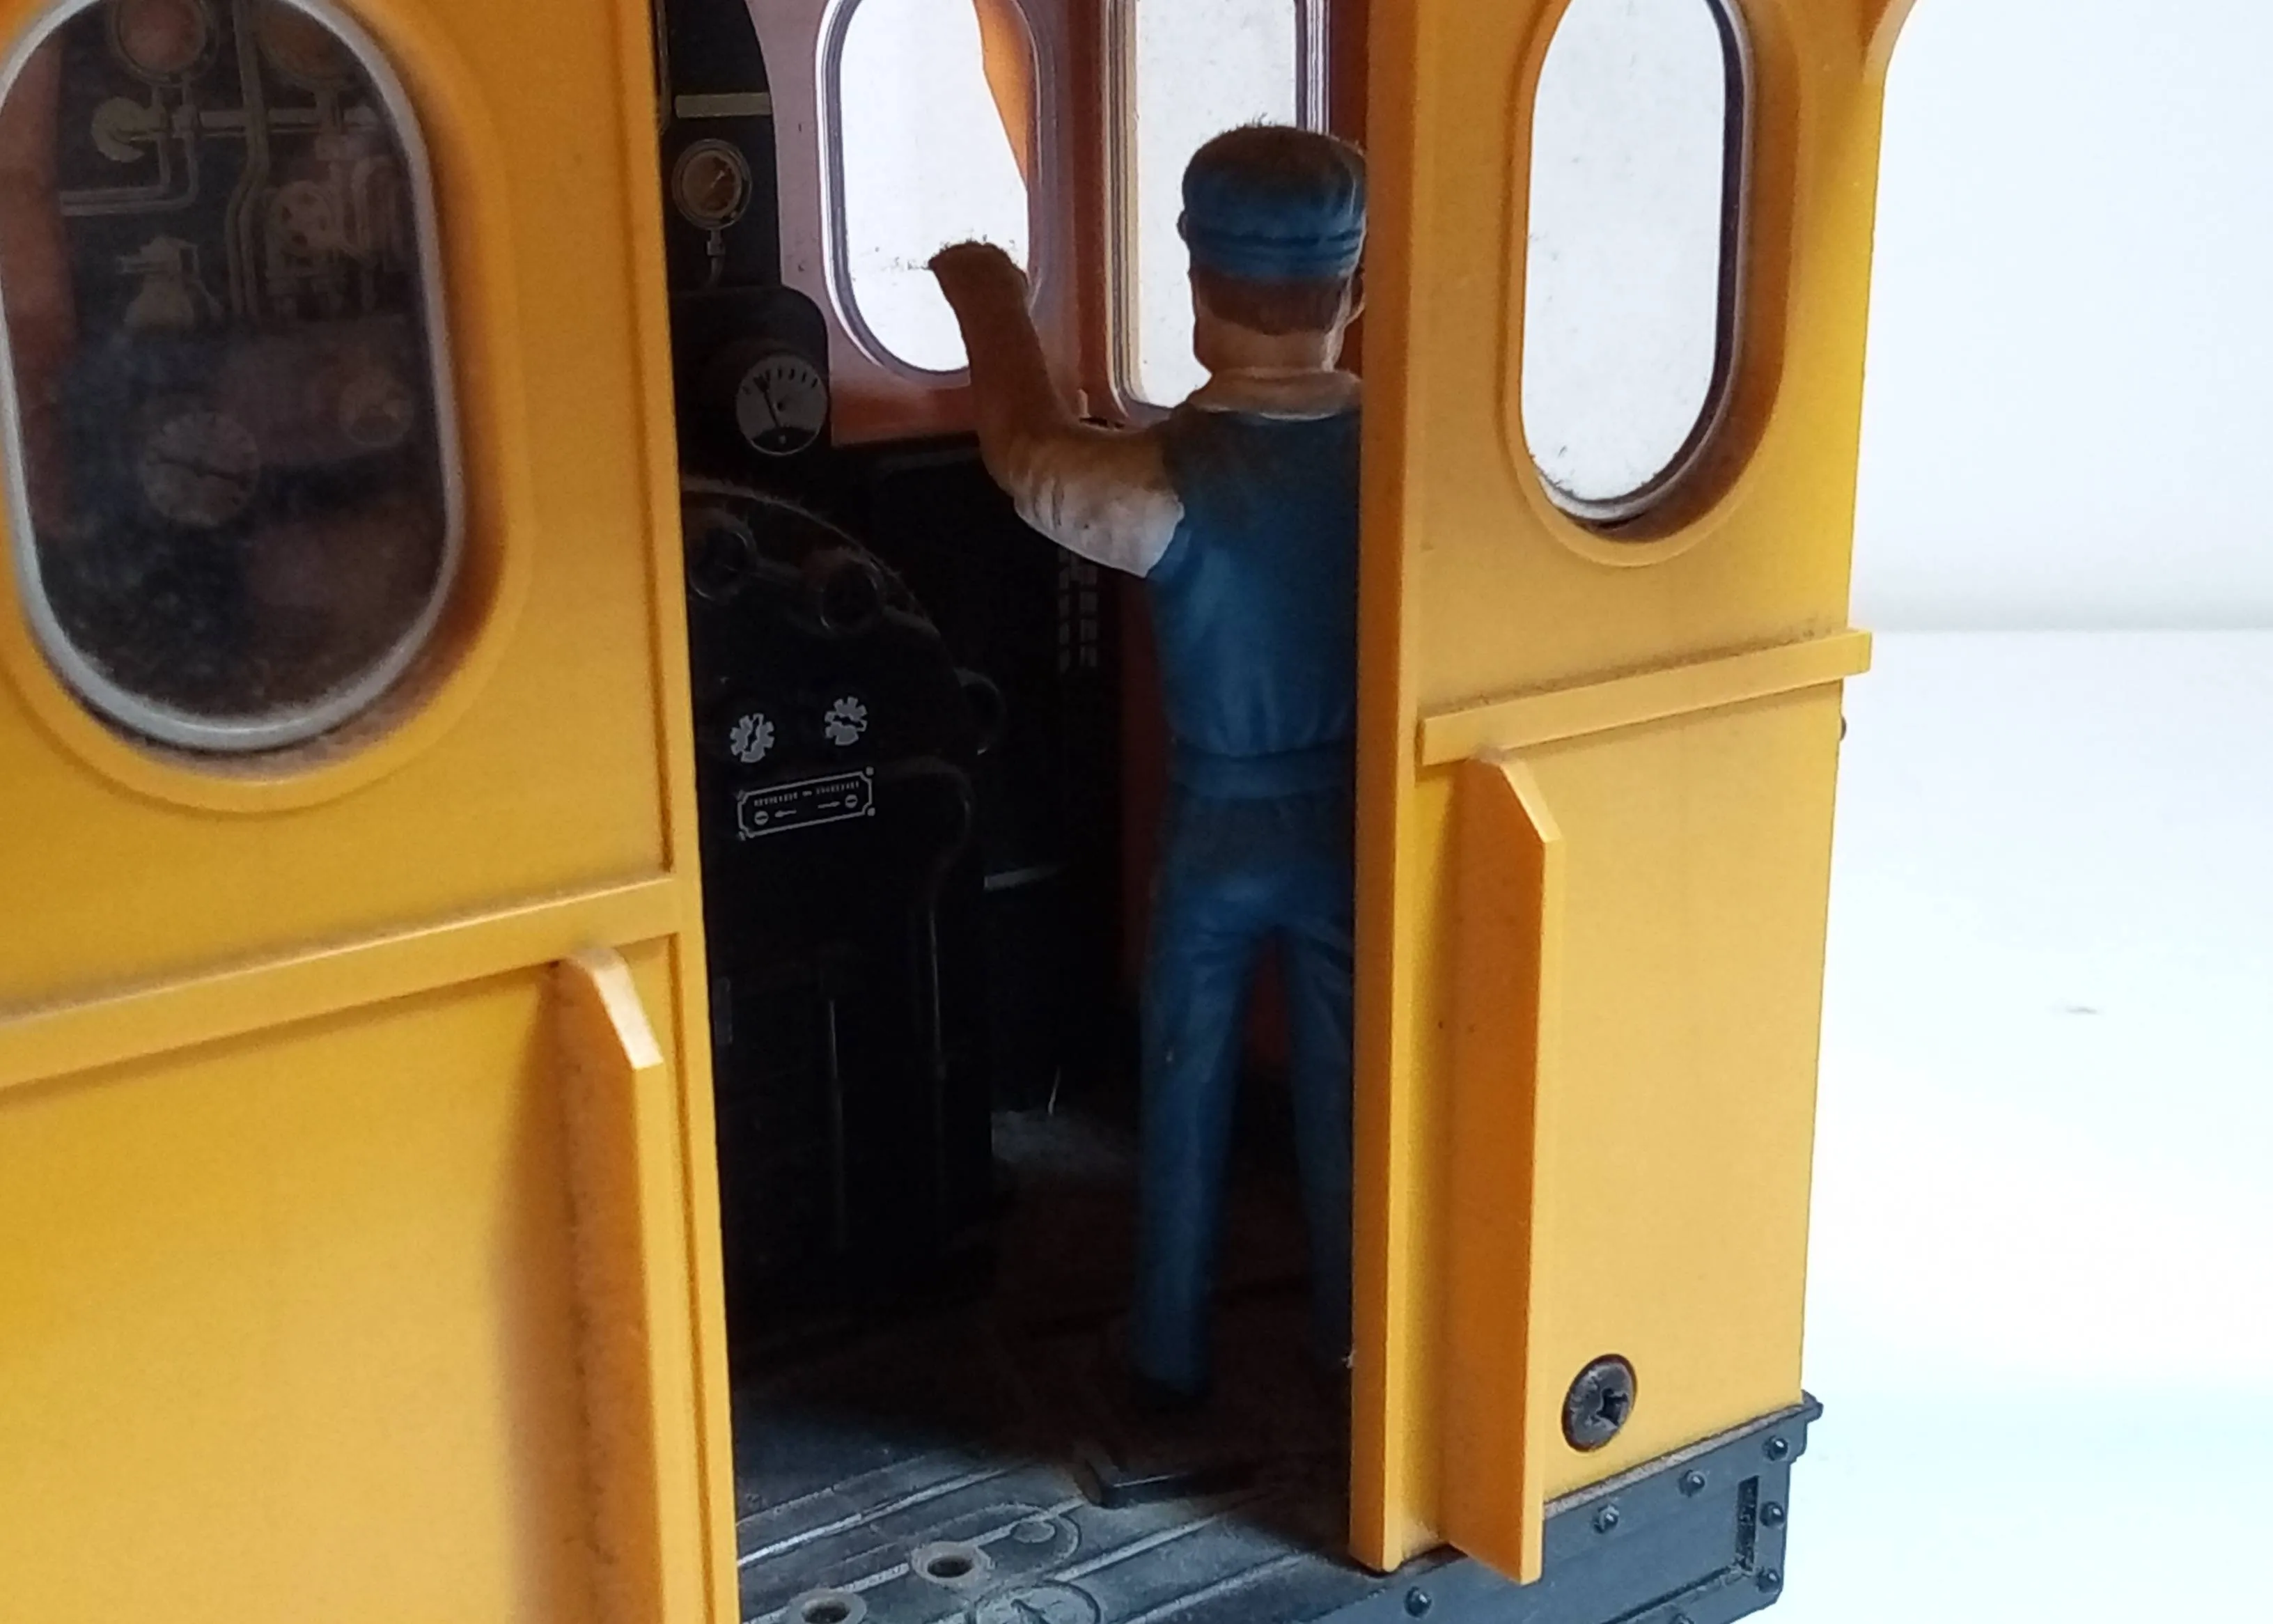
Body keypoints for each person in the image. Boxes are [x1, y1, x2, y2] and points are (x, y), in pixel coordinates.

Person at [930, 123, 1365, 1408]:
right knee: (1350, 1086)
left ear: (1194, 293)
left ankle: (1167, 1344)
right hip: (1352, 819)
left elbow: (1027, 457)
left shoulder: (1167, 480)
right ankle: (1353, 1333)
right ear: (1350, 293)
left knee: (1183, 1078)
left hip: (1217, 826)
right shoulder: (1402, 459)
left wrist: (992, 301)